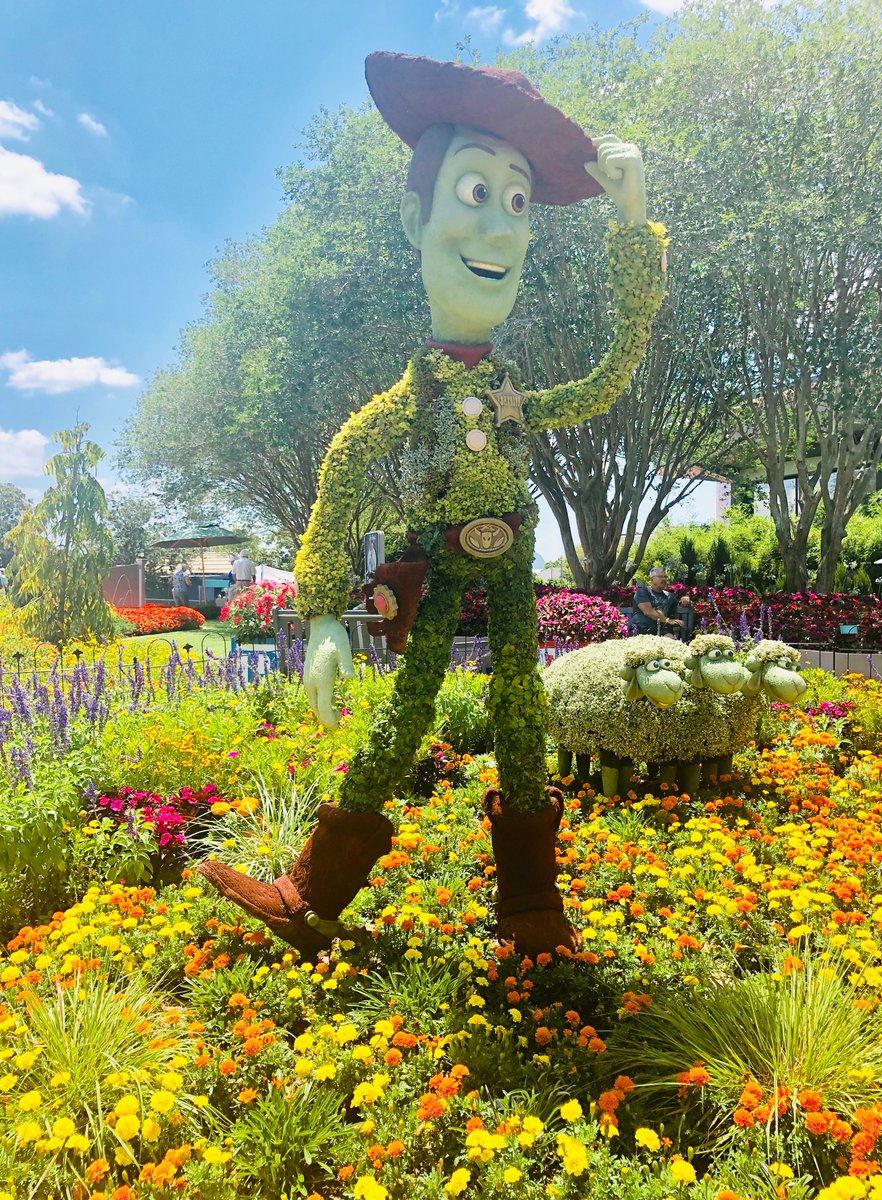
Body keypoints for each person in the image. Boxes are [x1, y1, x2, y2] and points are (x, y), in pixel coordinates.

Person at [199, 51, 668, 961]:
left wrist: (632, 224)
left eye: (517, 201)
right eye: (476, 191)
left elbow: (612, 374)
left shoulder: (516, 396)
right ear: (418, 220)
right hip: (443, 563)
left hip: (513, 570)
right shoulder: (405, 403)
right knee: (409, 712)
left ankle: (533, 913)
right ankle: (308, 895)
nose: (499, 225)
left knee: (522, 716)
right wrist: (323, 614)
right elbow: (341, 481)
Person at [631, 566, 683, 637]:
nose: (664, 579)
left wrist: (685, 600)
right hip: (641, 629)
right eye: (660, 576)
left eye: (665, 577)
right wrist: (668, 620)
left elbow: (679, 605)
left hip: (661, 631)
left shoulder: (669, 596)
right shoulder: (642, 592)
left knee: (671, 640)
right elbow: (648, 611)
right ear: (652, 579)